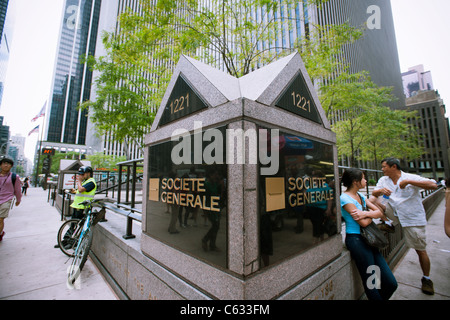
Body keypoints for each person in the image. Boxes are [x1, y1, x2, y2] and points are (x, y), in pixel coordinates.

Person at [371, 157, 437, 295]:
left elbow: (433, 185)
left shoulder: (410, 177)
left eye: (384, 167)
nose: (382, 169)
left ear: (393, 166)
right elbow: (374, 194)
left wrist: (408, 182)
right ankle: (388, 223)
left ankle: (427, 279)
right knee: (372, 200)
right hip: (393, 212)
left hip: (411, 218)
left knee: (420, 250)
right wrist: (381, 191)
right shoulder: (384, 180)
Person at [340, 168, 397, 300]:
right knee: (372, 283)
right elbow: (364, 223)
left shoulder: (360, 196)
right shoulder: (345, 198)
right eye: (363, 178)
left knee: (390, 283)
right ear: (356, 182)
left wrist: (365, 213)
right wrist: (371, 215)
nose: (365, 181)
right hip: (357, 241)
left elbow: (380, 212)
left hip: (369, 240)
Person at [0, 157, 22, 241]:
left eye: (8, 164)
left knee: (0, 218)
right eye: (4, 163)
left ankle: (0, 235)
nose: (6, 165)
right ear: (1, 165)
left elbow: (17, 189)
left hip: (7, 199)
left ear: (11, 166)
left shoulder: (14, 177)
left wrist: (18, 199)